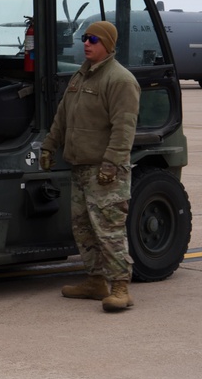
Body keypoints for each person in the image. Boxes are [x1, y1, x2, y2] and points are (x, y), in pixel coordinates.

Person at [40, 20, 141, 312]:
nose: (86, 43)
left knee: (109, 231)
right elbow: (62, 116)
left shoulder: (120, 80)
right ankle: (95, 281)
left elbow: (124, 129)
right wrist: (49, 145)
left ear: (108, 45)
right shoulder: (80, 77)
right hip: (81, 168)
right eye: (85, 38)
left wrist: (111, 164)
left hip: (105, 171)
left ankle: (120, 287)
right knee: (84, 229)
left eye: (94, 39)